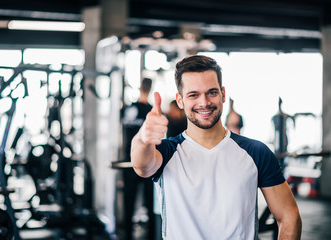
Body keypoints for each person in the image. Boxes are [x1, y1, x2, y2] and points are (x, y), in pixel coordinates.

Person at [130, 55, 302, 239]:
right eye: (193, 95)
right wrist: (143, 138)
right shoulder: (167, 152)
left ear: (223, 94)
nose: (204, 103)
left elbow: (289, 215)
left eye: (211, 92)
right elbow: (142, 166)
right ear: (180, 100)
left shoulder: (256, 152)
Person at [121, 77, 155, 240]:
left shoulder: (130, 109)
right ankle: (151, 235)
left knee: (131, 200)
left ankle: (128, 235)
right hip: (144, 161)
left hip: (132, 159)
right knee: (149, 200)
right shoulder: (150, 111)